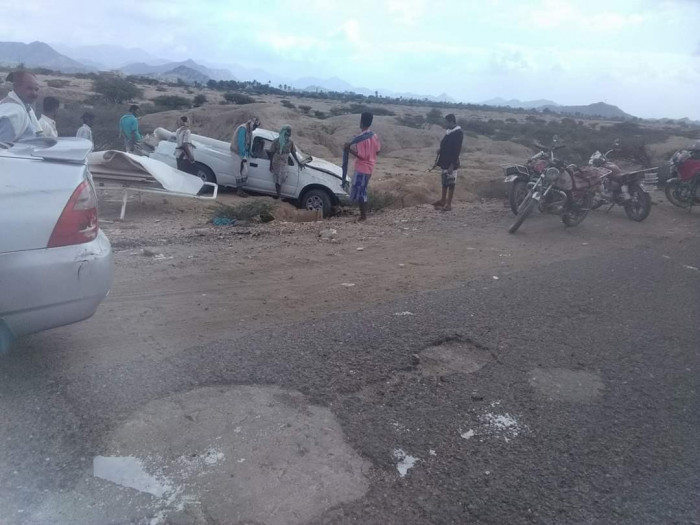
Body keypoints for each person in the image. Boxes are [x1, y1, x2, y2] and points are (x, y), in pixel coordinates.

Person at [343, 112, 381, 221]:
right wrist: (371, 155)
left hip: (362, 168)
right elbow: (378, 151)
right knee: (362, 190)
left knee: (361, 192)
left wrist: (348, 149)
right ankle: (363, 214)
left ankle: (363, 216)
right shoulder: (374, 136)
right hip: (370, 167)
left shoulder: (360, 138)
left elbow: (362, 156)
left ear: (361, 122)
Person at [432, 113, 463, 212]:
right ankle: (442, 200)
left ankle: (448, 204)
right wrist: (440, 150)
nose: (445, 124)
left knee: (451, 183)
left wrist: (452, 165)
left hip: (451, 163)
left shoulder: (458, 133)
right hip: (444, 161)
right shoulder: (449, 132)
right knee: (444, 182)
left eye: (446, 122)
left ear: (452, 122)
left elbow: (457, 150)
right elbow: (445, 145)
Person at [0, 71, 42, 142]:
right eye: (29, 88)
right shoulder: (15, 113)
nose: (34, 93)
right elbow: (3, 145)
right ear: (16, 87)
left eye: (36, 89)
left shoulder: (25, 107)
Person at [269, 125, 305, 199]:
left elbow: (293, 153)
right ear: (285, 132)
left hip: (284, 163)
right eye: (289, 131)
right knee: (277, 179)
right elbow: (271, 153)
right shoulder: (276, 141)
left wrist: (299, 162)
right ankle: (278, 195)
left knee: (282, 178)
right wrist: (270, 165)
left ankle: (279, 195)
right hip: (276, 162)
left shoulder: (290, 142)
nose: (290, 133)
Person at [230, 117, 260, 197]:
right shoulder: (243, 129)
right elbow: (241, 143)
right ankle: (239, 191)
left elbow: (248, 143)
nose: (255, 128)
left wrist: (250, 153)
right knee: (238, 171)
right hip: (237, 152)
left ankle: (240, 189)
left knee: (245, 172)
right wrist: (243, 157)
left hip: (243, 153)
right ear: (252, 124)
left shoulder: (249, 130)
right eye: (255, 126)